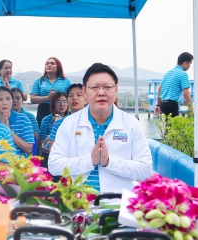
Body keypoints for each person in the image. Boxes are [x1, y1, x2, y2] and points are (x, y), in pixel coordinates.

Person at [49, 63, 153, 193]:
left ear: (116, 90)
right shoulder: (69, 124)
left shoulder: (132, 124)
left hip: (118, 205)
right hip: (78, 204)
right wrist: (89, 161)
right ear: (85, 92)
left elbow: (145, 169)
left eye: (107, 87)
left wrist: (109, 162)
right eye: (95, 87)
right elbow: (54, 165)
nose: (101, 93)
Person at [0, 86, 34, 156]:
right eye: (0, 99)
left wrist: (8, 131)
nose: (5, 103)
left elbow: (29, 149)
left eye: (8, 99)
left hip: (20, 164)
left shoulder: (23, 119)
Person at [30, 57, 72, 126]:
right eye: (47, 64)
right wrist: (48, 97)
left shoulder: (66, 81)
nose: (49, 65)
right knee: (43, 132)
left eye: (52, 63)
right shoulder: (38, 81)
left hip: (61, 110)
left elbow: (70, 97)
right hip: (44, 110)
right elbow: (32, 99)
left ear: (58, 66)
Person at [48, 83, 88, 149]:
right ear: (67, 101)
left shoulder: (94, 121)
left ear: (86, 99)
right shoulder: (59, 123)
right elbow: (52, 151)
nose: (74, 98)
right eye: (70, 96)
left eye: (79, 95)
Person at [155, 52, 194, 117]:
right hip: (171, 104)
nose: (189, 66)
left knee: (169, 125)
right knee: (175, 125)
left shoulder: (168, 73)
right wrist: (191, 110)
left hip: (163, 104)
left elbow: (159, 89)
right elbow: (186, 94)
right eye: (189, 63)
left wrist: (158, 105)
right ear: (185, 63)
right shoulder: (183, 74)